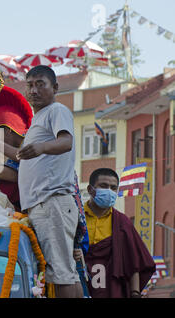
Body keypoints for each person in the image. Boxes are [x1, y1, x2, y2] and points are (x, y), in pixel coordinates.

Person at [17, 65, 81, 298]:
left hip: (51, 202)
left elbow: (65, 142)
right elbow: (23, 154)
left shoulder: (57, 110)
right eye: (30, 84)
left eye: (40, 84)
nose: (33, 90)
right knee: (65, 272)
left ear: (54, 87)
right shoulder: (39, 119)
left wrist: (42, 147)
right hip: (44, 204)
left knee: (62, 274)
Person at [83, 168, 155, 298]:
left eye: (113, 188)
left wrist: (135, 293)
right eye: (104, 186)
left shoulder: (122, 222)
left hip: (113, 289)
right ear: (90, 190)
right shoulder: (77, 217)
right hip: (81, 285)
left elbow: (134, 263)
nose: (109, 191)